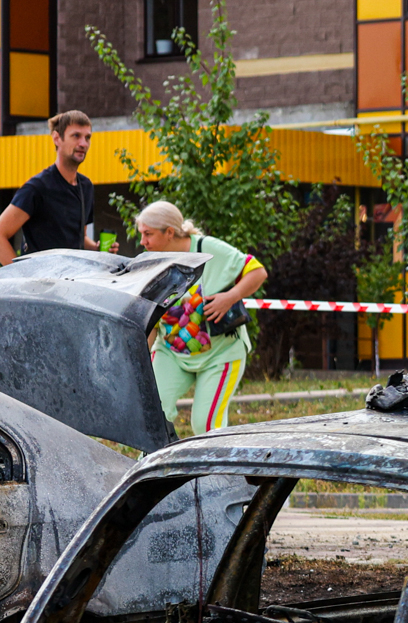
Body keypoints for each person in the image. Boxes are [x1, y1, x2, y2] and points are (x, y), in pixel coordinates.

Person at [136, 201, 268, 435]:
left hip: (221, 354)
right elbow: (151, 322)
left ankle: (216, 472)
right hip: (171, 353)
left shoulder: (208, 248)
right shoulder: (151, 261)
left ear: (169, 232)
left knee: (206, 426)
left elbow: (257, 271)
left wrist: (231, 296)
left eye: (148, 234)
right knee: (151, 412)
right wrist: (136, 358)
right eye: (142, 234)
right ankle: (152, 469)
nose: (142, 241)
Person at [0, 111, 118, 264]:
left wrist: (98, 249)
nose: (83, 143)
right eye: (76, 136)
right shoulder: (37, 188)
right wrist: (22, 276)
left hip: (72, 281)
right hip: (41, 284)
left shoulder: (86, 186)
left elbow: (79, 238)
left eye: (87, 137)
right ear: (57, 138)